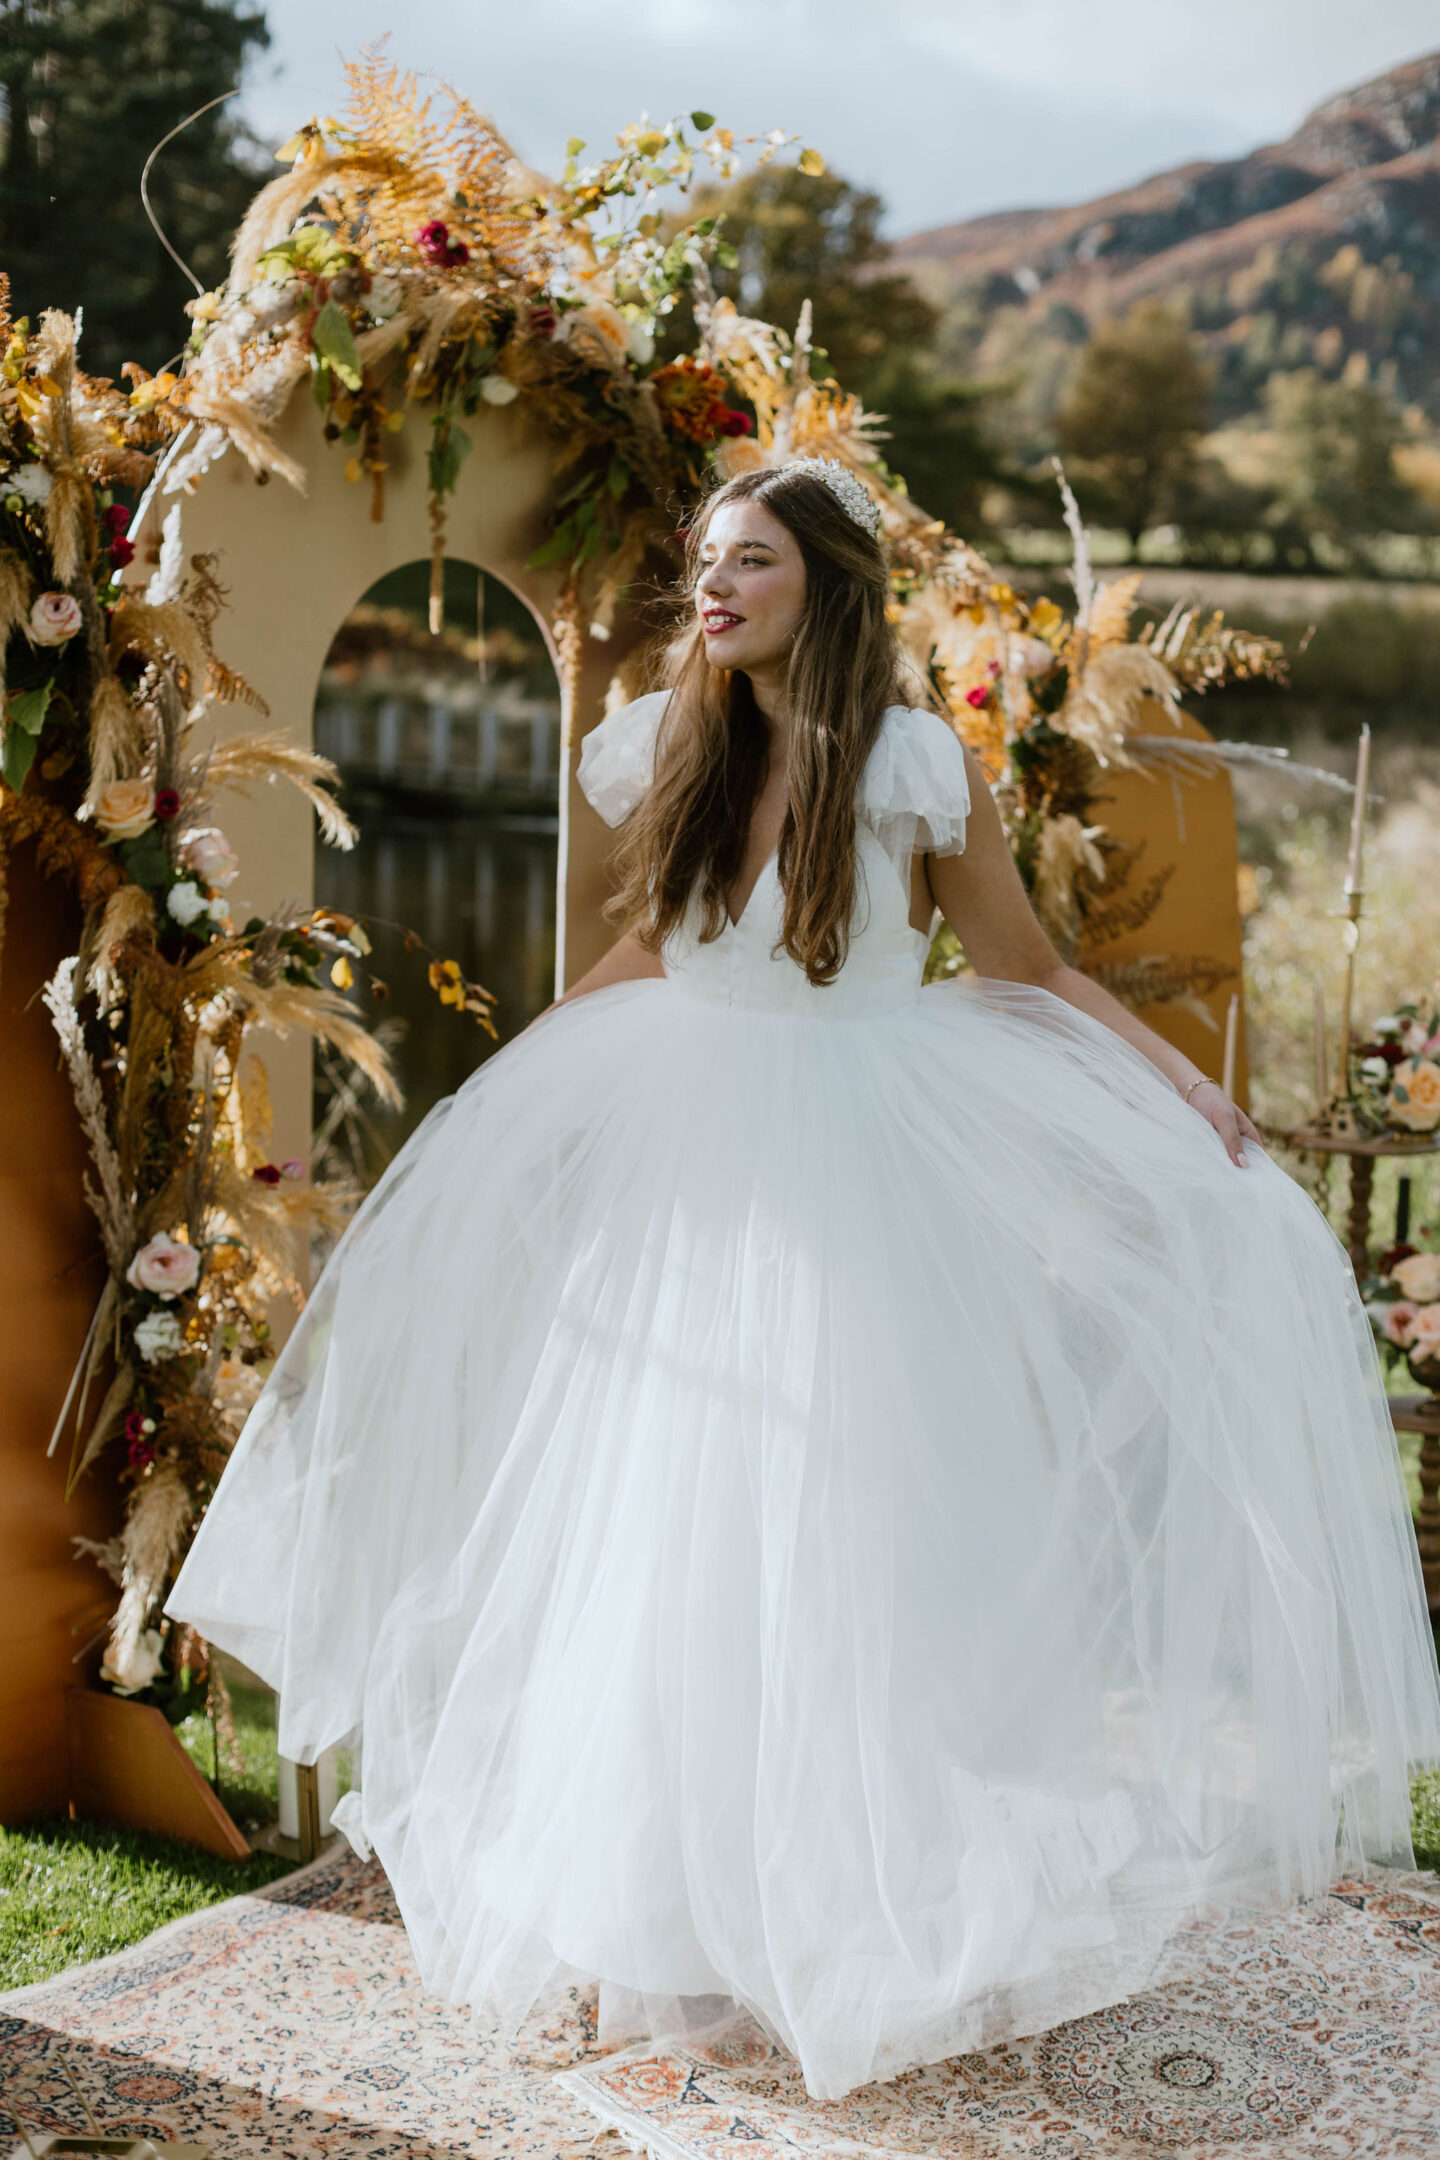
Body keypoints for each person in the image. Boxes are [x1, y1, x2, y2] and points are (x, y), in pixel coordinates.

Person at [166, 458, 1440, 2103]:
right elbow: (649, 951)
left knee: (843, 1534)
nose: (709, 587)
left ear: (824, 588)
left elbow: (1027, 966)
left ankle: (841, 1906)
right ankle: (671, 1912)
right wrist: (516, 1090)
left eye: (746, 561)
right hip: (692, 1155)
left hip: (858, 1173)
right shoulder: (668, 743)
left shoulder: (916, 763)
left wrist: (1176, 1084)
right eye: (704, 558)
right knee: (669, 1520)